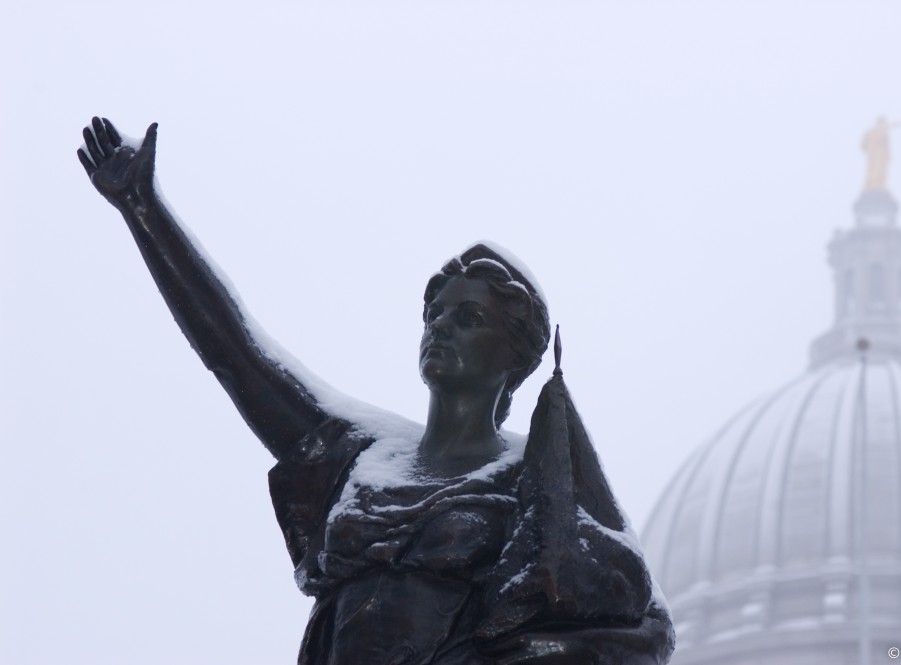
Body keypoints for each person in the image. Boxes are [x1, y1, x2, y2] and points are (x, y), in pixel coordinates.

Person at [78, 117, 674, 664]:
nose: (439, 325)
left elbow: (641, 630)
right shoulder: (360, 455)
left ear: (514, 357)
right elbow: (237, 355)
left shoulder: (535, 477)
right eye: (435, 313)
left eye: (469, 318)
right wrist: (142, 209)